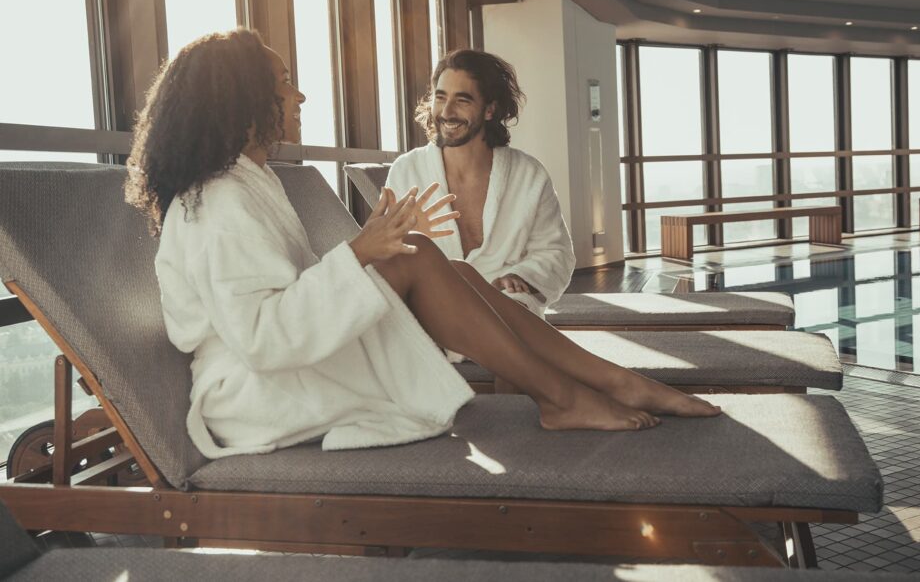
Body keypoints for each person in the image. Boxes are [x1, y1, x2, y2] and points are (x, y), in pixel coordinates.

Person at [125, 29, 720, 459]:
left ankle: (605, 383)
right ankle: (570, 394)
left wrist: (366, 252)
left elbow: (290, 305)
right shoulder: (223, 202)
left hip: (287, 369)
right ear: (242, 101)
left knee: (441, 266)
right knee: (421, 256)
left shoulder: (243, 186)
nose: (299, 97)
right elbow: (262, 340)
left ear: (488, 108)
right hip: (255, 396)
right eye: (285, 84)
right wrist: (362, 252)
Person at [386, 50, 571, 318]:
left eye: (462, 100)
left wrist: (521, 276)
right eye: (441, 97)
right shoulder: (407, 171)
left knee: (513, 318)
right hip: (435, 310)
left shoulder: (528, 174)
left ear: (489, 109)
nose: (447, 112)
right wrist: (407, 239)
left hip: (507, 308)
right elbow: (387, 257)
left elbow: (556, 251)